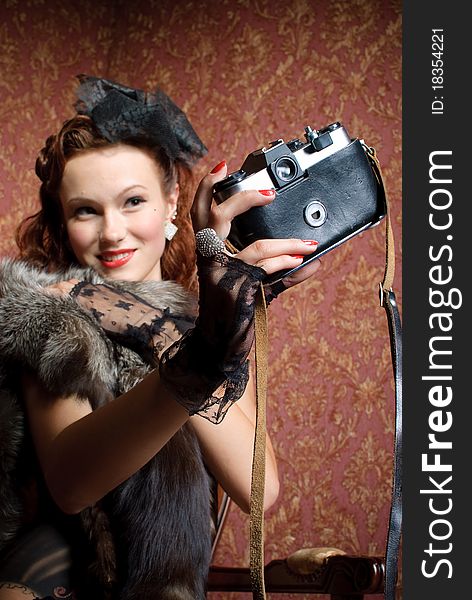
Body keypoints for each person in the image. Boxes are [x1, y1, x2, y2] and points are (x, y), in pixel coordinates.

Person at [0, 76, 319, 600]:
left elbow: (257, 489)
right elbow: (72, 483)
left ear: (171, 201)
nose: (112, 232)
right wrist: (193, 352)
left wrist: (191, 333)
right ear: (63, 217)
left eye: (132, 202)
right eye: (86, 210)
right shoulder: (47, 311)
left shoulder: (210, 321)